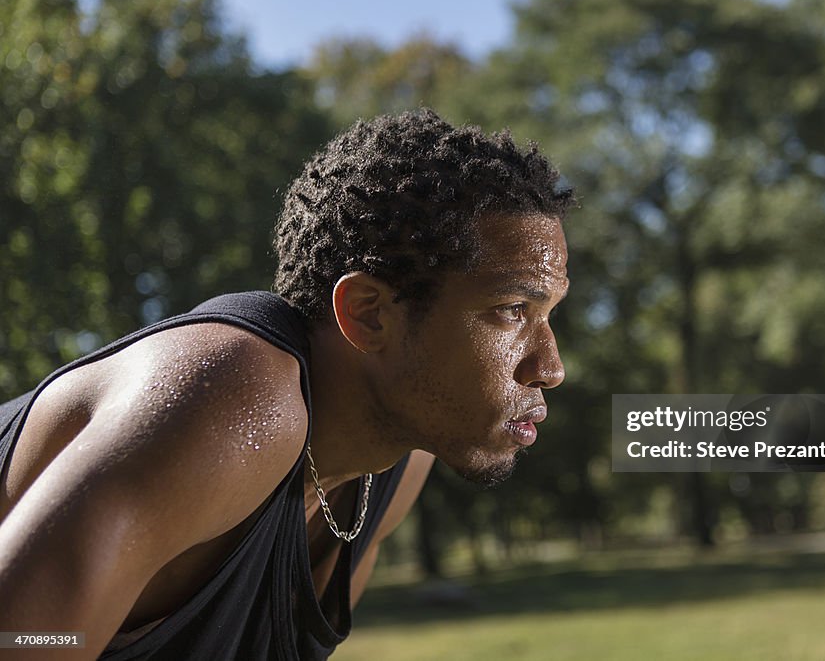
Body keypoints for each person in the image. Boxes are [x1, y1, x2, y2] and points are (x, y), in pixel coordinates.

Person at [0, 109, 574, 660]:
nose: (550, 367)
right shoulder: (232, 402)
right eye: (511, 310)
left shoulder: (396, 464)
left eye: (548, 314)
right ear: (369, 314)